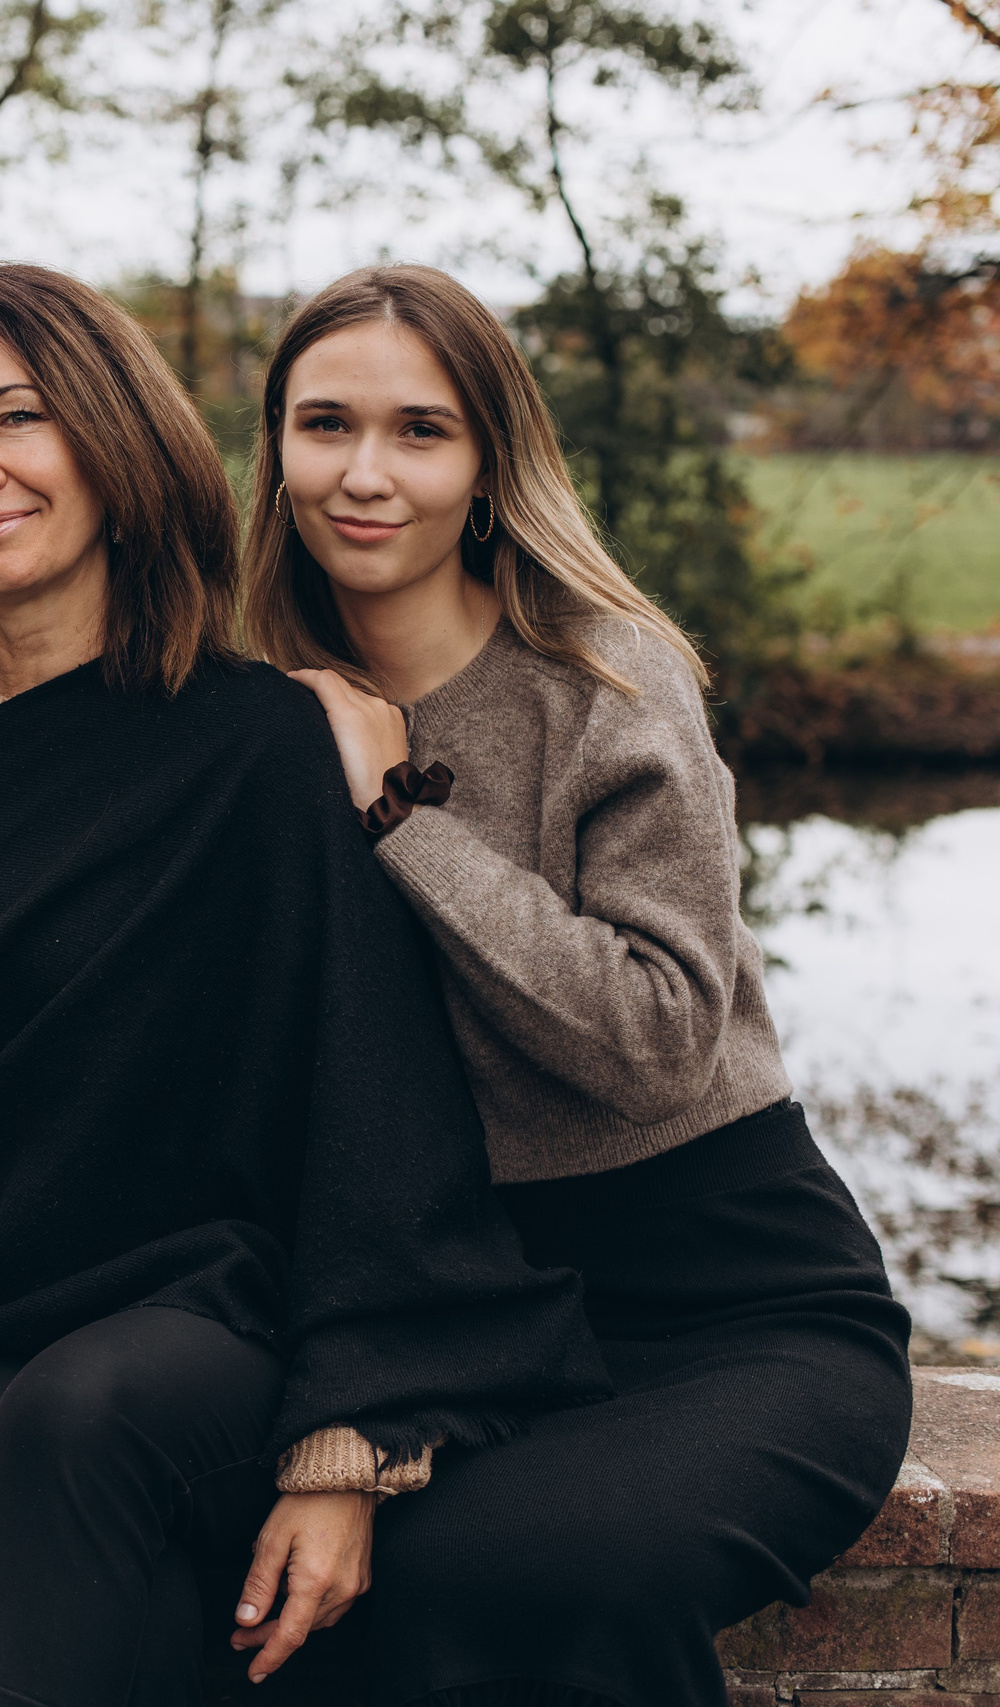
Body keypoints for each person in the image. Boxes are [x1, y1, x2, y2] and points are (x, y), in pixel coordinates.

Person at [0, 262, 614, 1705]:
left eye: (17, 417)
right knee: (124, 1604)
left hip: (211, 1333)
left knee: (86, 1414)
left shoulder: (264, 745)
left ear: (114, 443)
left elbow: (371, 1099)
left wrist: (347, 1450)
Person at [250, 261, 913, 1707]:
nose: (365, 474)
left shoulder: (606, 678)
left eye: (421, 431)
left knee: (545, 1571)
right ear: (277, 451)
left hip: (733, 1300)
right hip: (459, 1317)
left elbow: (657, 1040)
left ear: (490, 466)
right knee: (288, 1601)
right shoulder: (250, 713)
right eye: (326, 425)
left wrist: (401, 819)